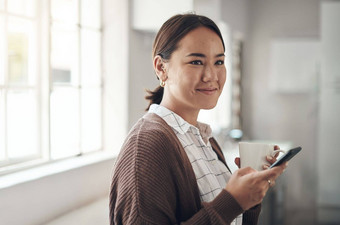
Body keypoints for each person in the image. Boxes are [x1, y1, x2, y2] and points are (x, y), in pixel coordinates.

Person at [109, 13, 287, 225]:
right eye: (196, 61)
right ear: (161, 67)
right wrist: (232, 202)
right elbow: (224, 210)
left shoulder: (204, 139)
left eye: (219, 61)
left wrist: (250, 197)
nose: (211, 75)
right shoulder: (148, 145)